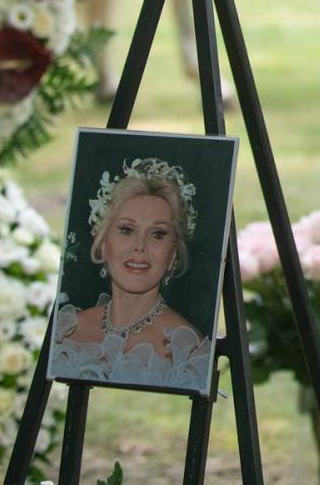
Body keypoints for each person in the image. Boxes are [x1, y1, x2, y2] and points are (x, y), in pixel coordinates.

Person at [51, 157, 215, 391]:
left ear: (173, 256)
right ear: (103, 246)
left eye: (158, 234)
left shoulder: (188, 352)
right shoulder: (65, 330)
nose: (140, 246)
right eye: (127, 230)